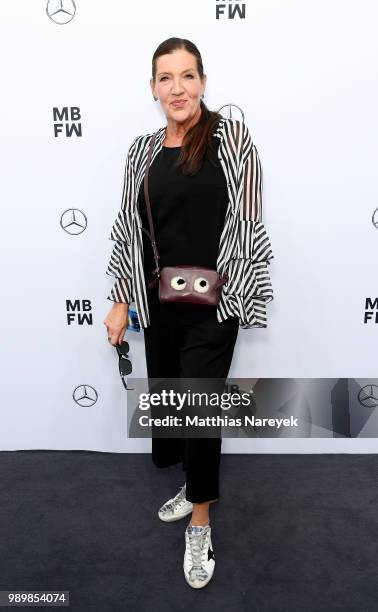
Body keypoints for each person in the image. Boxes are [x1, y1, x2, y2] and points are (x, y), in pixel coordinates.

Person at [103, 37, 275, 589]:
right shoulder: (142, 150)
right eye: (165, 78)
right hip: (159, 303)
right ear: (152, 87)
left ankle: (200, 521)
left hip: (215, 301)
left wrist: (224, 294)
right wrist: (121, 300)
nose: (177, 88)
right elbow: (131, 229)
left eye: (187, 76)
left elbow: (246, 218)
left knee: (199, 408)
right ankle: (192, 485)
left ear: (203, 81)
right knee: (178, 405)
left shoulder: (230, 137)